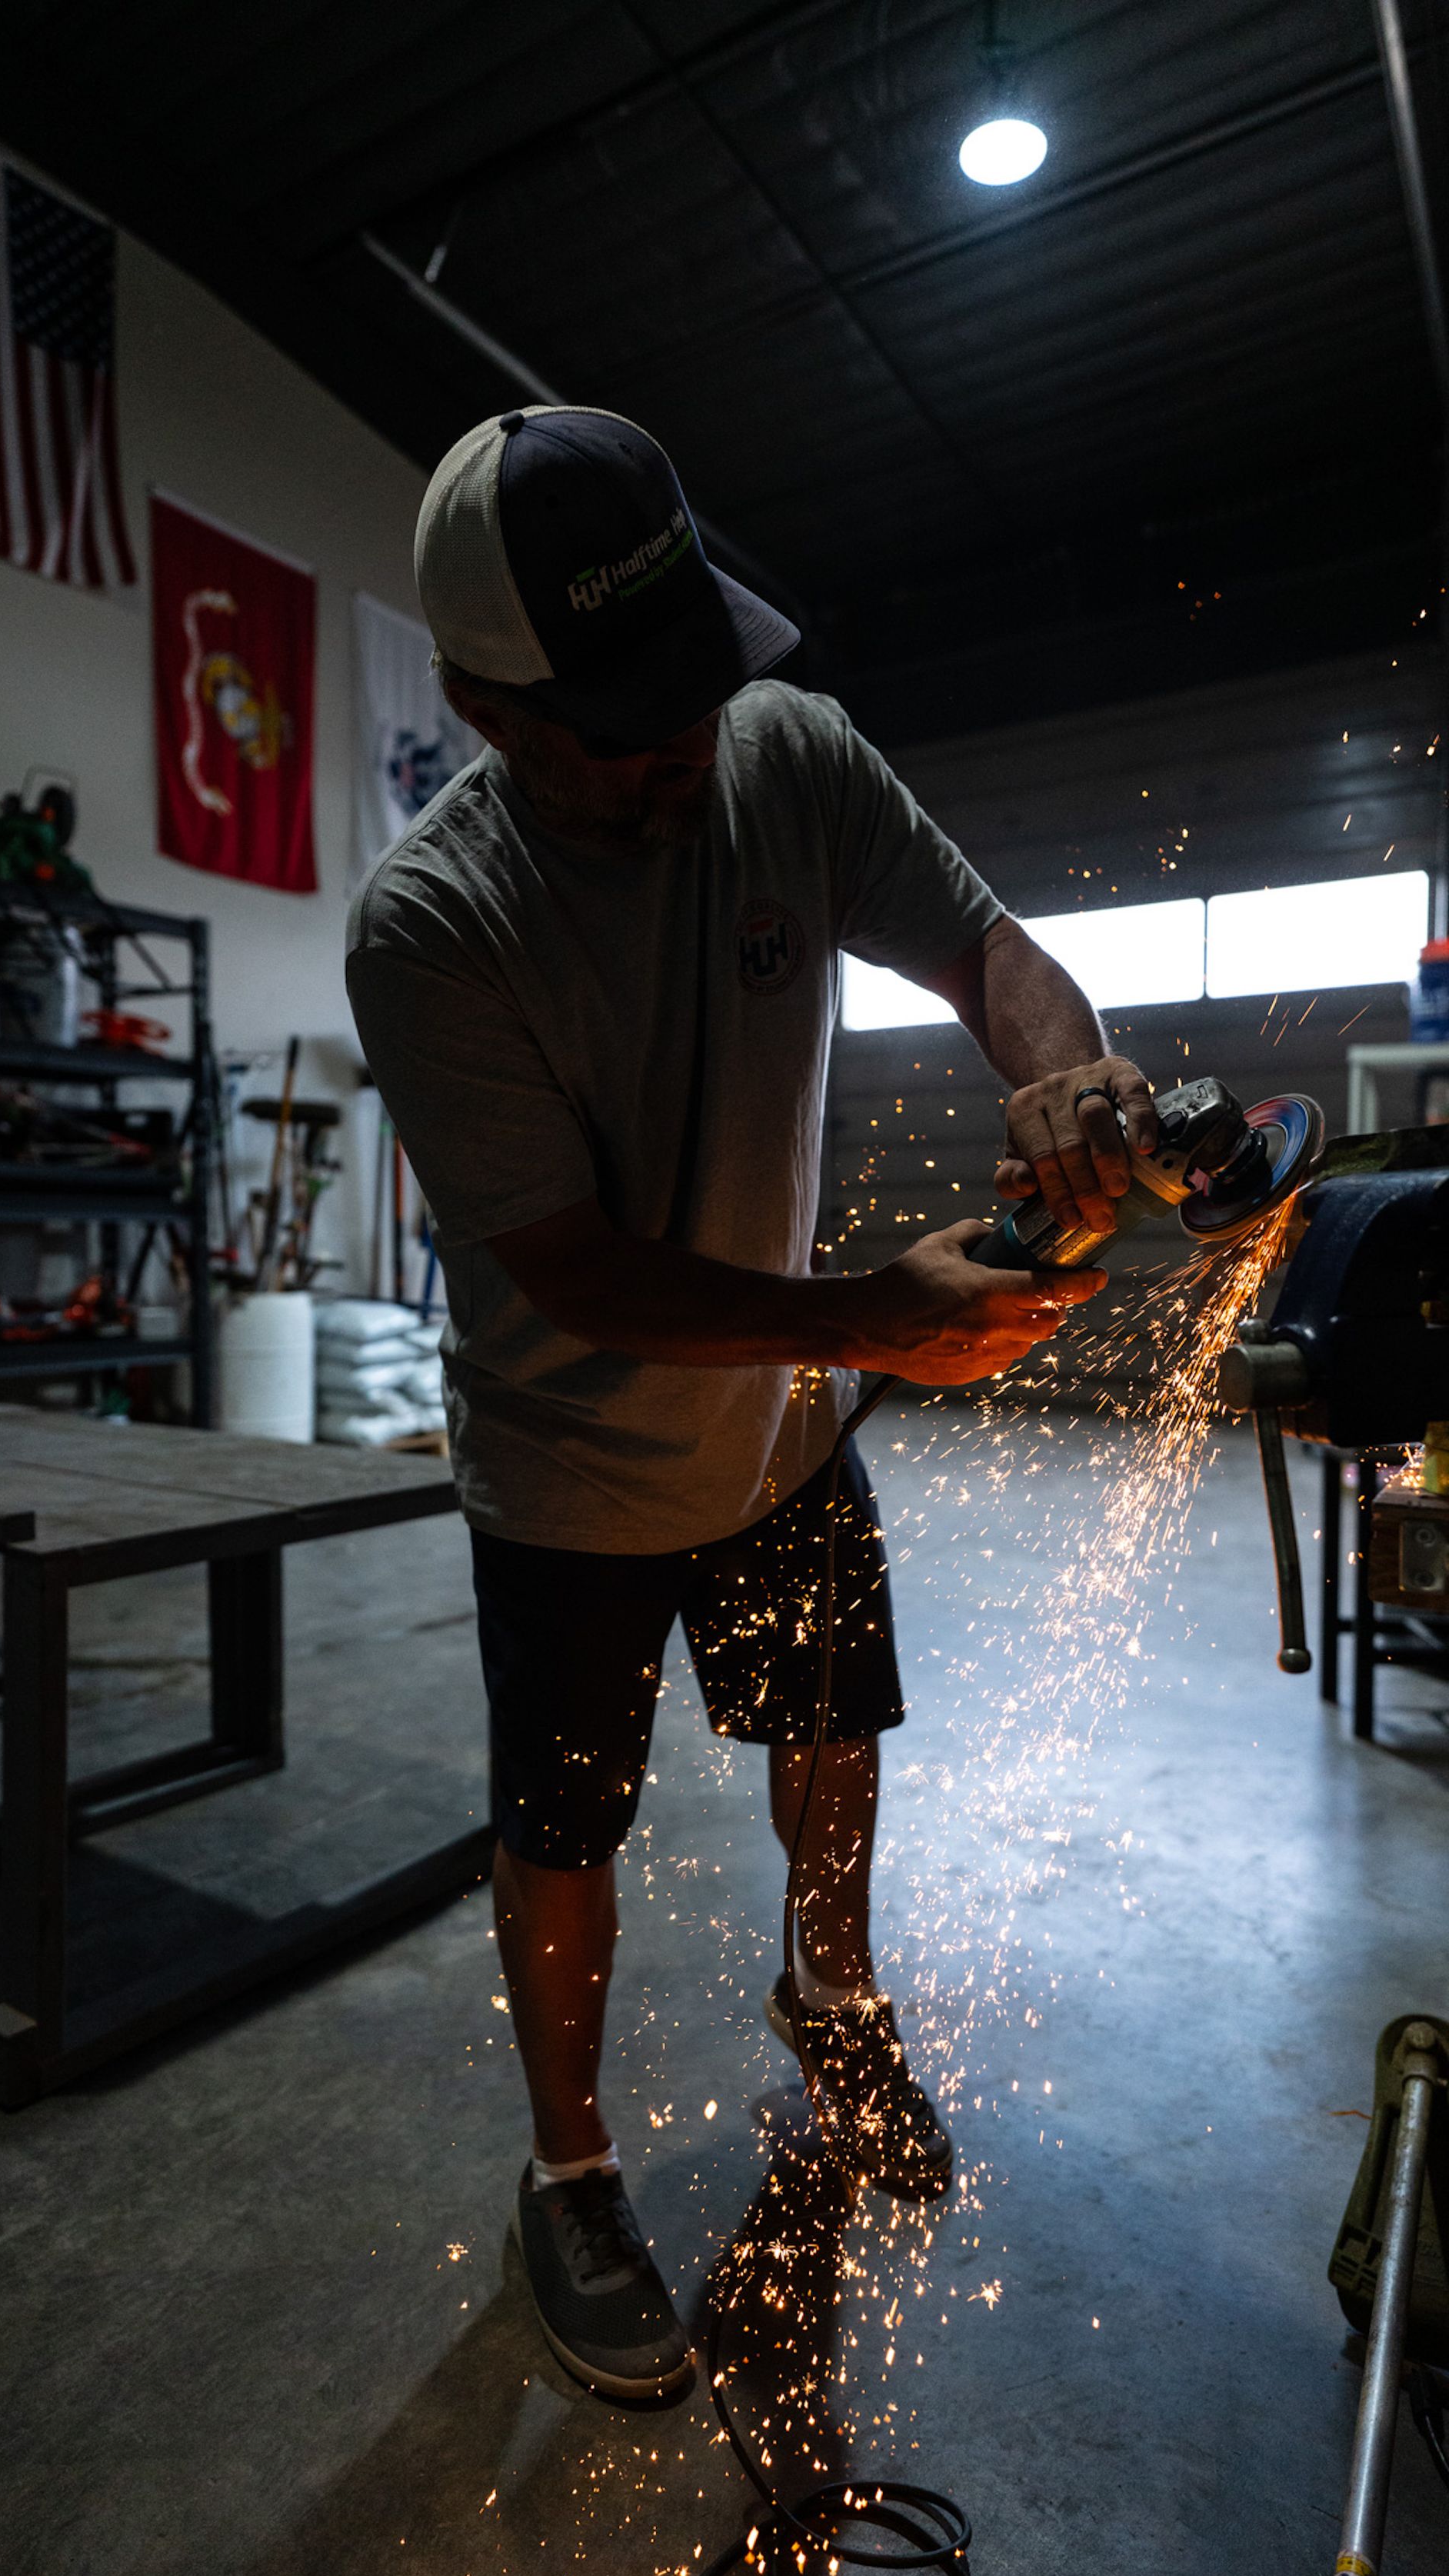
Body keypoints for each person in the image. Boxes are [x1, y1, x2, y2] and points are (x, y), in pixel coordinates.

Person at [346, 404, 1158, 2403]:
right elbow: (583, 1282)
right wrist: (877, 1313)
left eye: (686, 690)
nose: (675, 748)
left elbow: (988, 950)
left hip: (786, 1419)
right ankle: (571, 2168)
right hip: (566, 1471)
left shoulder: (780, 756)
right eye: (615, 724)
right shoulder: (431, 929)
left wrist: (1062, 1069)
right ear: (476, 700)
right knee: (566, 1818)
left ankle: (834, 1995)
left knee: (836, 1727)